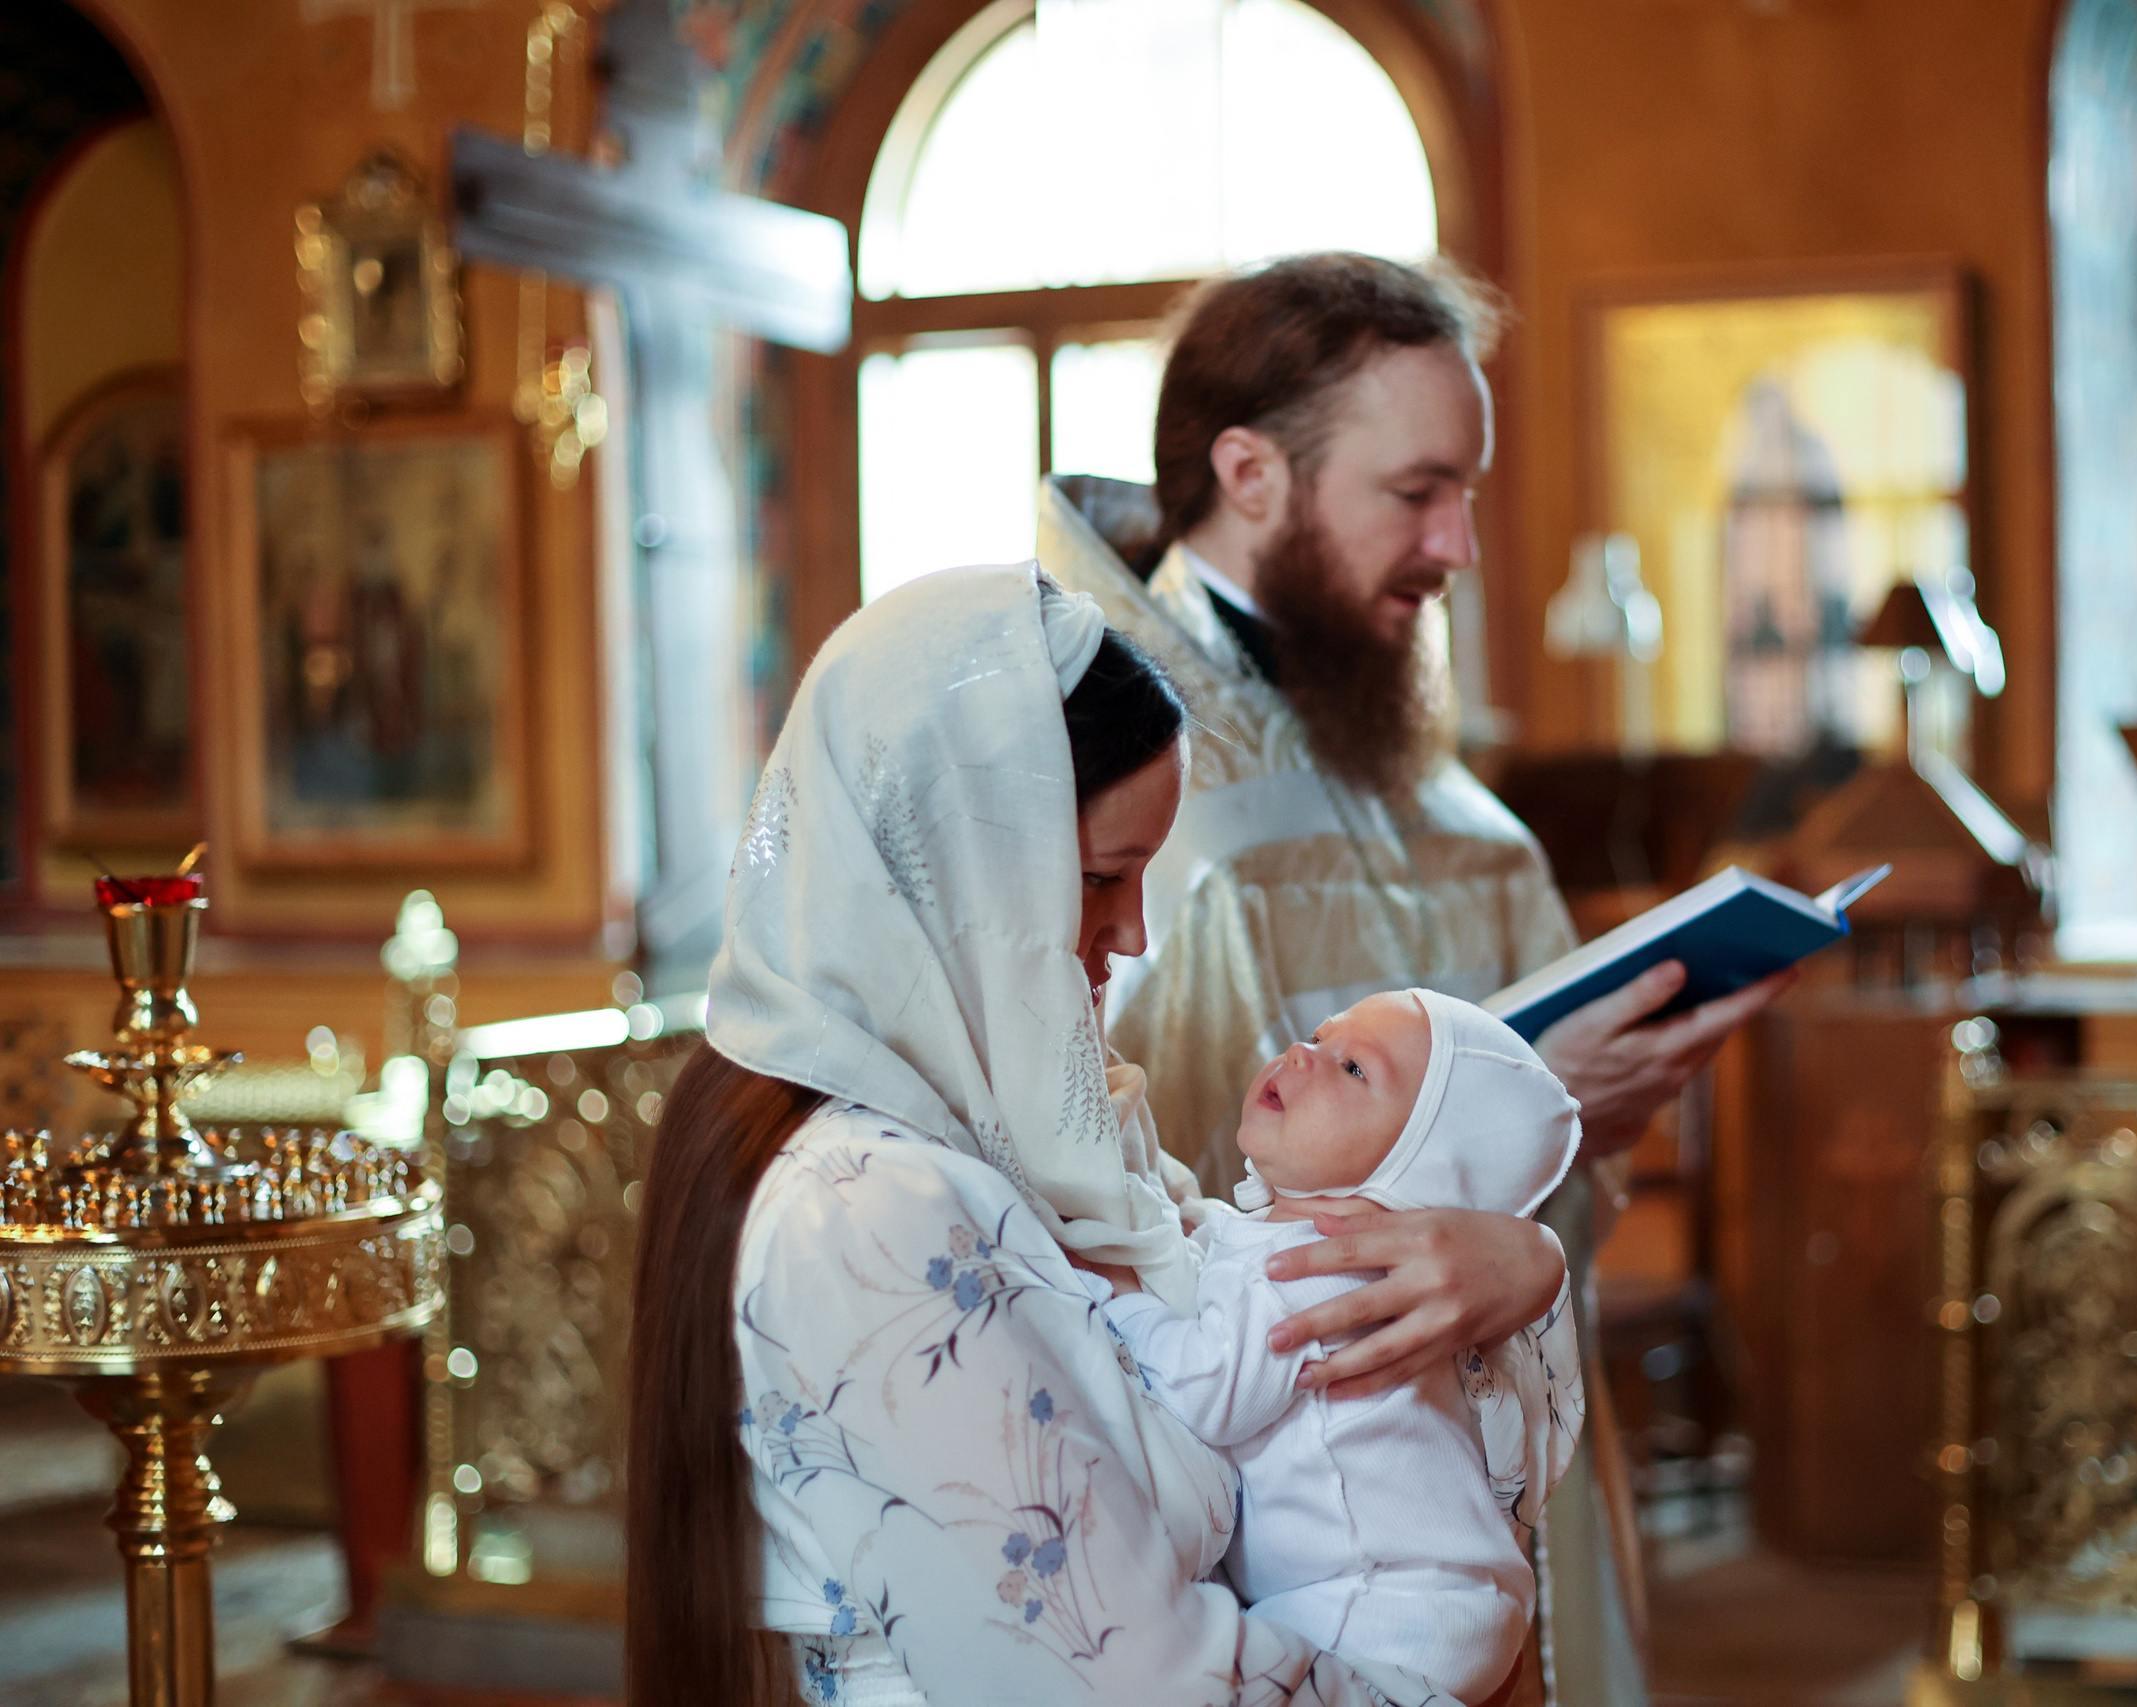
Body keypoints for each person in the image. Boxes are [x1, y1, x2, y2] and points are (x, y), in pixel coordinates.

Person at [1041, 252, 1791, 1701]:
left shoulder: (1435, 790)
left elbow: (1541, 1202)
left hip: (1473, 1496)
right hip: (1277, 1547)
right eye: (1416, 491)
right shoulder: (1118, 784)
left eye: (1466, 493)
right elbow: (1113, 1212)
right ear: (1250, 473)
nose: (1458, 544)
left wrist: (1563, 1165)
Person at [624, 564, 1573, 1707]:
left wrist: (1521, 1262)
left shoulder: (1039, 1132)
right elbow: (1130, 1680)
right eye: (1097, 879)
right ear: (955, 868)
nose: (1130, 934)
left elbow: (1303, 1333)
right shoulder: (861, 1211)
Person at [1101, 989, 1584, 1703]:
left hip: (1381, 1609)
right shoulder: (1335, 1260)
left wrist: (1120, 1298)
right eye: (1320, 1036)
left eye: (1354, 1068)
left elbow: (1207, 1388)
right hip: (1447, 1599)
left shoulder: (1309, 1273)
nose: (1302, 1054)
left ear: (1415, 1168)